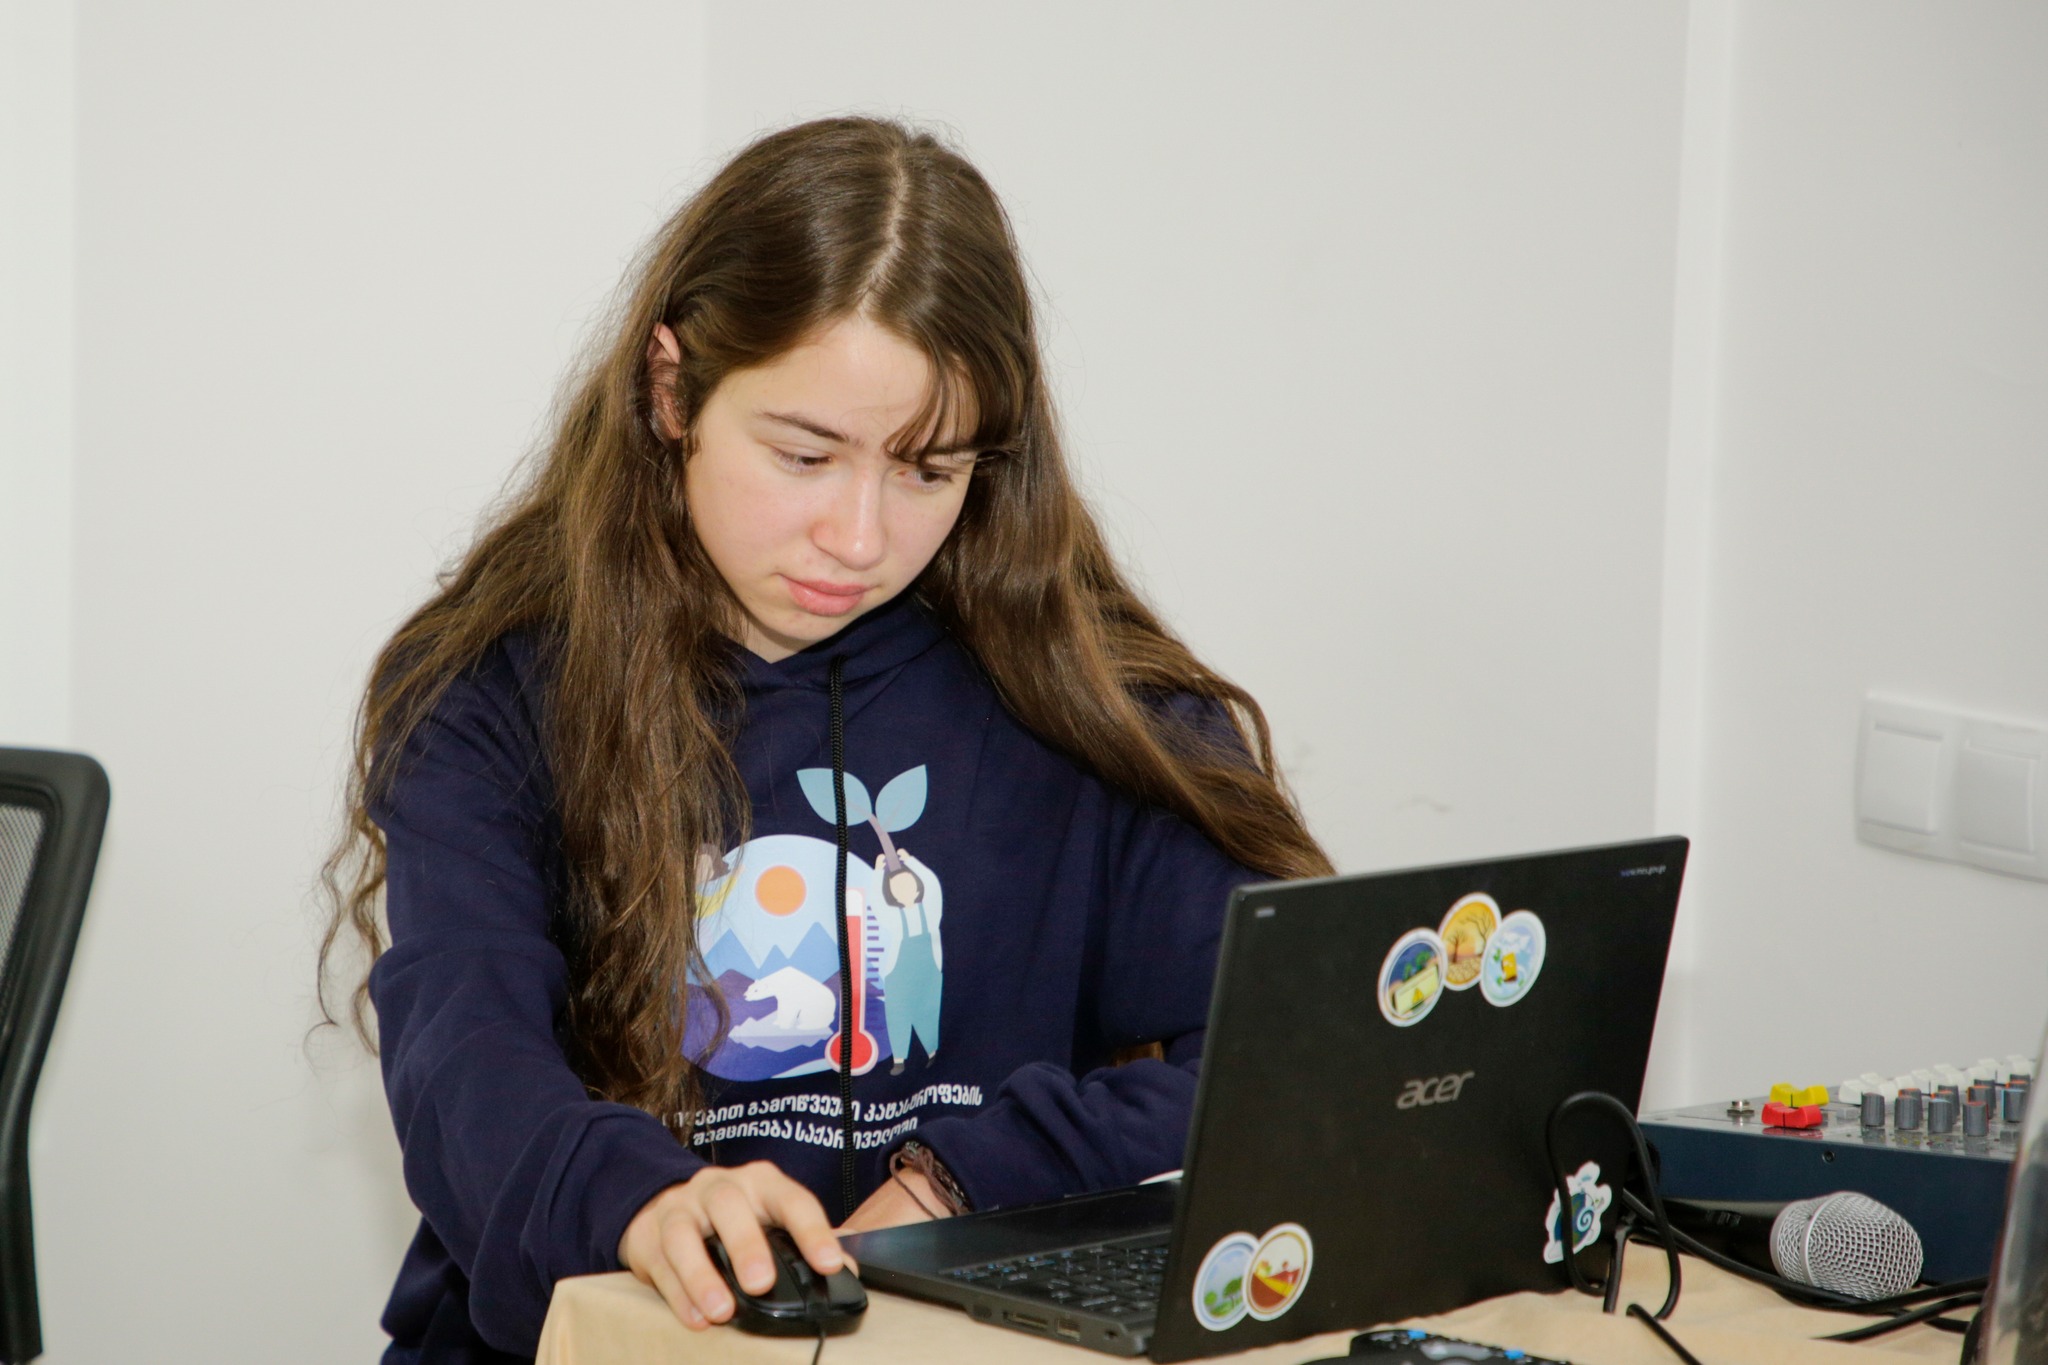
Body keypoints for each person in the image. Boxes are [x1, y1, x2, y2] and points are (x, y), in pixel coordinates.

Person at [320, 116, 1330, 1364]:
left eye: (927, 471)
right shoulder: (493, 689)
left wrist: (961, 1180)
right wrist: (640, 1202)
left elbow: (1295, 1044)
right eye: (804, 455)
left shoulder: (1093, 698)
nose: (858, 538)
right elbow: (464, 1062)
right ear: (670, 389)